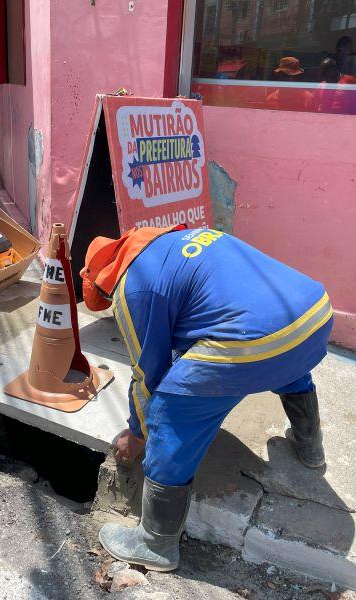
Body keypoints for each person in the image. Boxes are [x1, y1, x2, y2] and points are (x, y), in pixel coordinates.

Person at [81, 226, 333, 571]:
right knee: (280, 355)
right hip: (313, 317)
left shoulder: (132, 288)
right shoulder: (184, 241)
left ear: (103, 283)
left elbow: (147, 375)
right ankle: (310, 446)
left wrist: (137, 432)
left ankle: (155, 544)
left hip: (258, 340)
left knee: (169, 411)